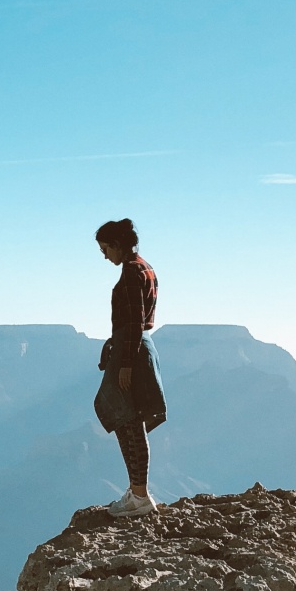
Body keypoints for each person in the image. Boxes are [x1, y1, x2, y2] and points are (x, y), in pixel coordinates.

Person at [94, 217, 167, 516]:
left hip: (132, 352)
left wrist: (124, 362)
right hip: (135, 347)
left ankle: (138, 496)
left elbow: (135, 320)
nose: (104, 255)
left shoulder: (132, 272)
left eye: (105, 248)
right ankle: (137, 490)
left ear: (118, 245)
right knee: (129, 418)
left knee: (128, 419)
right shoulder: (144, 267)